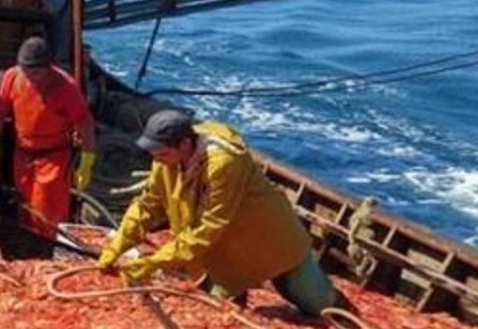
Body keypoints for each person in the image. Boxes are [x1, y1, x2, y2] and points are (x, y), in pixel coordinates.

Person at [97, 109, 353, 317]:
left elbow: (211, 225)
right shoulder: (164, 160)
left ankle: (345, 315)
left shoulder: (224, 164)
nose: (157, 159)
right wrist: (118, 244)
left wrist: (156, 261)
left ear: (185, 144)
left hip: (267, 237)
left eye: (162, 153)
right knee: (220, 310)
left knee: (315, 302)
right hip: (220, 250)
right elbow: (147, 205)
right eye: (153, 153)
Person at [0, 37, 97, 236]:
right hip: (22, 155)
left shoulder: (65, 86)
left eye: (35, 72)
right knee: (24, 208)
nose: (29, 77)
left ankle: (45, 255)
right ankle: (27, 251)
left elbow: (85, 123)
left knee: (46, 215)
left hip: (53, 159)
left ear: (48, 67)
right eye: (25, 71)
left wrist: (86, 162)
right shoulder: (12, 76)